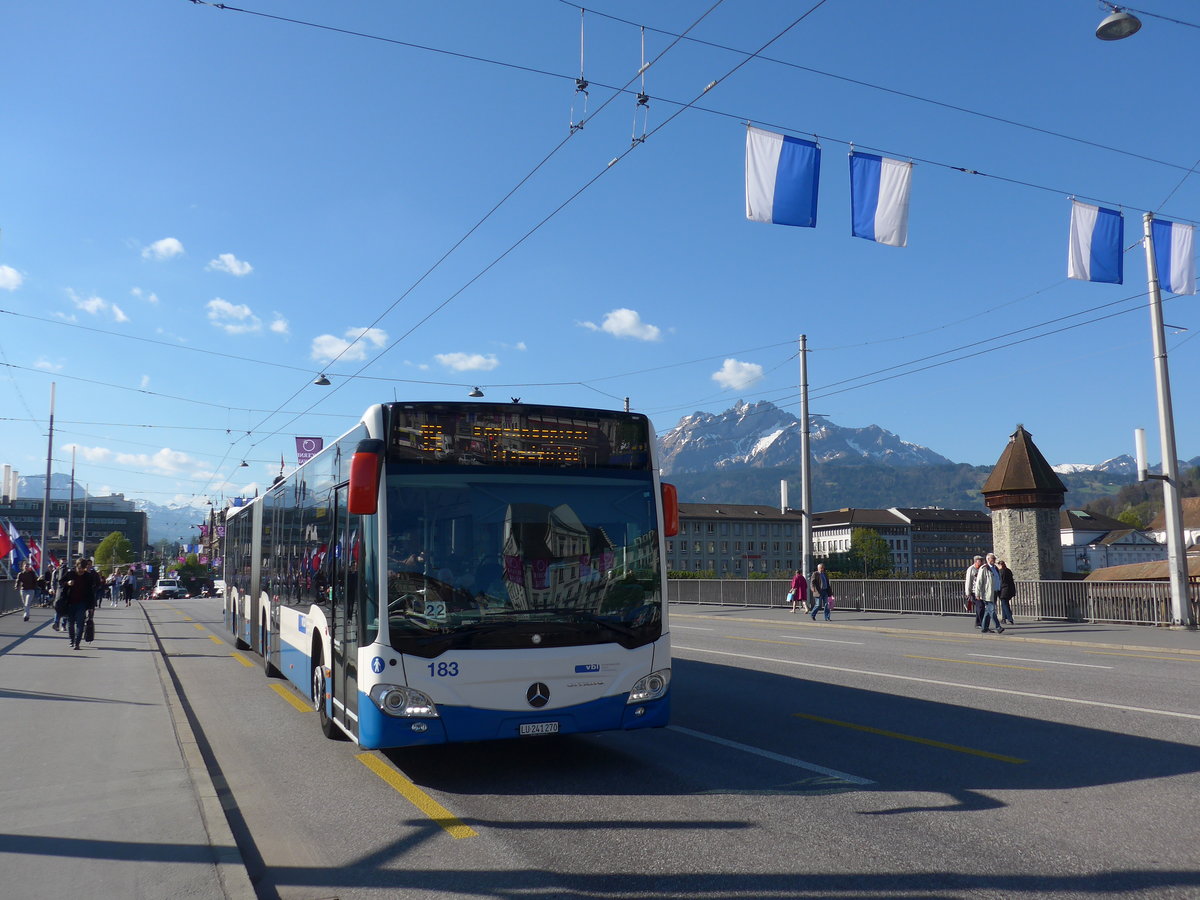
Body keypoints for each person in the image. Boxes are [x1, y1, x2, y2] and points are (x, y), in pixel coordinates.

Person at [57, 557, 101, 650]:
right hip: (70, 602)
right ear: (76, 566)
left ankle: (77, 642)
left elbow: (90, 592)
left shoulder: (88, 577)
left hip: (82, 603)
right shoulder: (70, 574)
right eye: (79, 568)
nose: (81, 570)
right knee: (70, 623)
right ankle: (72, 640)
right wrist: (67, 583)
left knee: (80, 623)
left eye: (83, 568)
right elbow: (60, 582)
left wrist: (91, 607)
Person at [974, 552, 1005, 634]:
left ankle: (984, 627)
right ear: (988, 559)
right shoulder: (984, 568)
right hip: (987, 593)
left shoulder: (995, 568)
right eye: (993, 558)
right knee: (992, 610)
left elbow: (998, 579)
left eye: (994, 558)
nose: (994, 560)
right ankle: (998, 627)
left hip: (995, 591)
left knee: (988, 611)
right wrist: (977, 593)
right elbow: (979, 582)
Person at [965, 555, 985, 628]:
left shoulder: (982, 568)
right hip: (974, 591)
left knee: (980, 607)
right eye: (981, 561)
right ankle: (980, 623)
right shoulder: (971, 569)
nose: (982, 562)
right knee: (980, 606)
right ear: (976, 561)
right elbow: (968, 581)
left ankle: (978, 623)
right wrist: (968, 593)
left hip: (982, 591)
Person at [997, 560, 1016, 625]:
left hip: (1003, 590)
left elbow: (1000, 582)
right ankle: (1003, 619)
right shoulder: (1008, 570)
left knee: (1005, 604)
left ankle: (1010, 619)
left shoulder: (1001, 572)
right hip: (1009, 590)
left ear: (1000, 565)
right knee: (1004, 604)